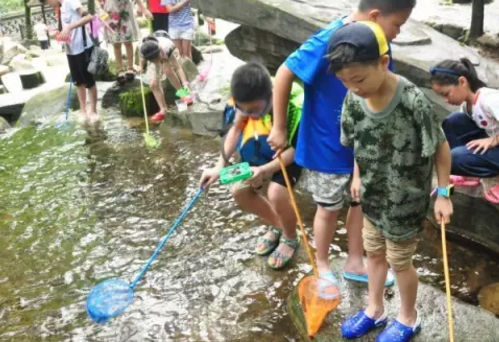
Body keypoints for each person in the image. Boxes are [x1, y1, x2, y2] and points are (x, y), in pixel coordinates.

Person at [267, 0, 417, 288]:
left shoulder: (379, 43)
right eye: (397, 24)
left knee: (360, 203)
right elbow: (286, 72)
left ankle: (354, 261)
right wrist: (279, 127)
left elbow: (386, 85)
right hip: (327, 145)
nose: (398, 33)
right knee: (329, 207)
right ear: (374, 16)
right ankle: (321, 264)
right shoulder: (327, 41)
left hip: (363, 145)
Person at [326, 22, 453, 342]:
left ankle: (408, 318)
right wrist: (356, 176)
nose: (353, 87)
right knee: (374, 253)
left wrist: (443, 193)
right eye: (344, 81)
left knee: (400, 260)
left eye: (359, 78)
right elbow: (358, 140)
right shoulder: (353, 99)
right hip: (373, 197)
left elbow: (440, 146)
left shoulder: (411, 100)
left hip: (405, 200)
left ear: (383, 63)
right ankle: (375, 309)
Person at [199, 63, 303, 269]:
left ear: (270, 95)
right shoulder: (244, 105)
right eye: (243, 109)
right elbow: (236, 130)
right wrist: (220, 166)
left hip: (287, 153)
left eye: (254, 110)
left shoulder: (292, 107)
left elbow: (299, 150)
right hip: (258, 149)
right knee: (239, 190)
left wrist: (265, 171)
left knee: (276, 193)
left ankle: (291, 236)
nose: (249, 115)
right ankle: (277, 225)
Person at [430, 58, 499, 204]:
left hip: (495, 142)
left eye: (446, 93)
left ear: (462, 81)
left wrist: (493, 140)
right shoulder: (468, 106)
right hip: (493, 142)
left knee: (453, 159)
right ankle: (471, 176)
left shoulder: (490, 99)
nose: (446, 100)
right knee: (453, 121)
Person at [39, 0, 99, 123]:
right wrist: (59, 33)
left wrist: (70, 27)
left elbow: (88, 17)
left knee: (89, 81)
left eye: (48, 3)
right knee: (78, 82)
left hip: (83, 48)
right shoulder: (61, 8)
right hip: (71, 50)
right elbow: (66, 29)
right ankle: (83, 110)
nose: (49, 5)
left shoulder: (71, 2)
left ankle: (93, 110)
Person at [97, 0, 152, 84]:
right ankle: (120, 70)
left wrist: (144, 9)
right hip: (110, 10)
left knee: (128, 41)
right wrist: (99, 9)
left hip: (125, 8)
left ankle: (130, 68)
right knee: (115, 43)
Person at [139, 33, 190, 123]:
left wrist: (185, 83)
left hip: (167, 53)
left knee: (167, 70)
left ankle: (183, 94)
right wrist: (140, 68)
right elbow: (141, 59)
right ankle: (163, 109)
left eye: (157, 57)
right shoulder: (143, 50)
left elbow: (177, 67)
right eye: (154, 59)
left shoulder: (167, 46)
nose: (157, 60)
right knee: (153, 85)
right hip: (155, 56)